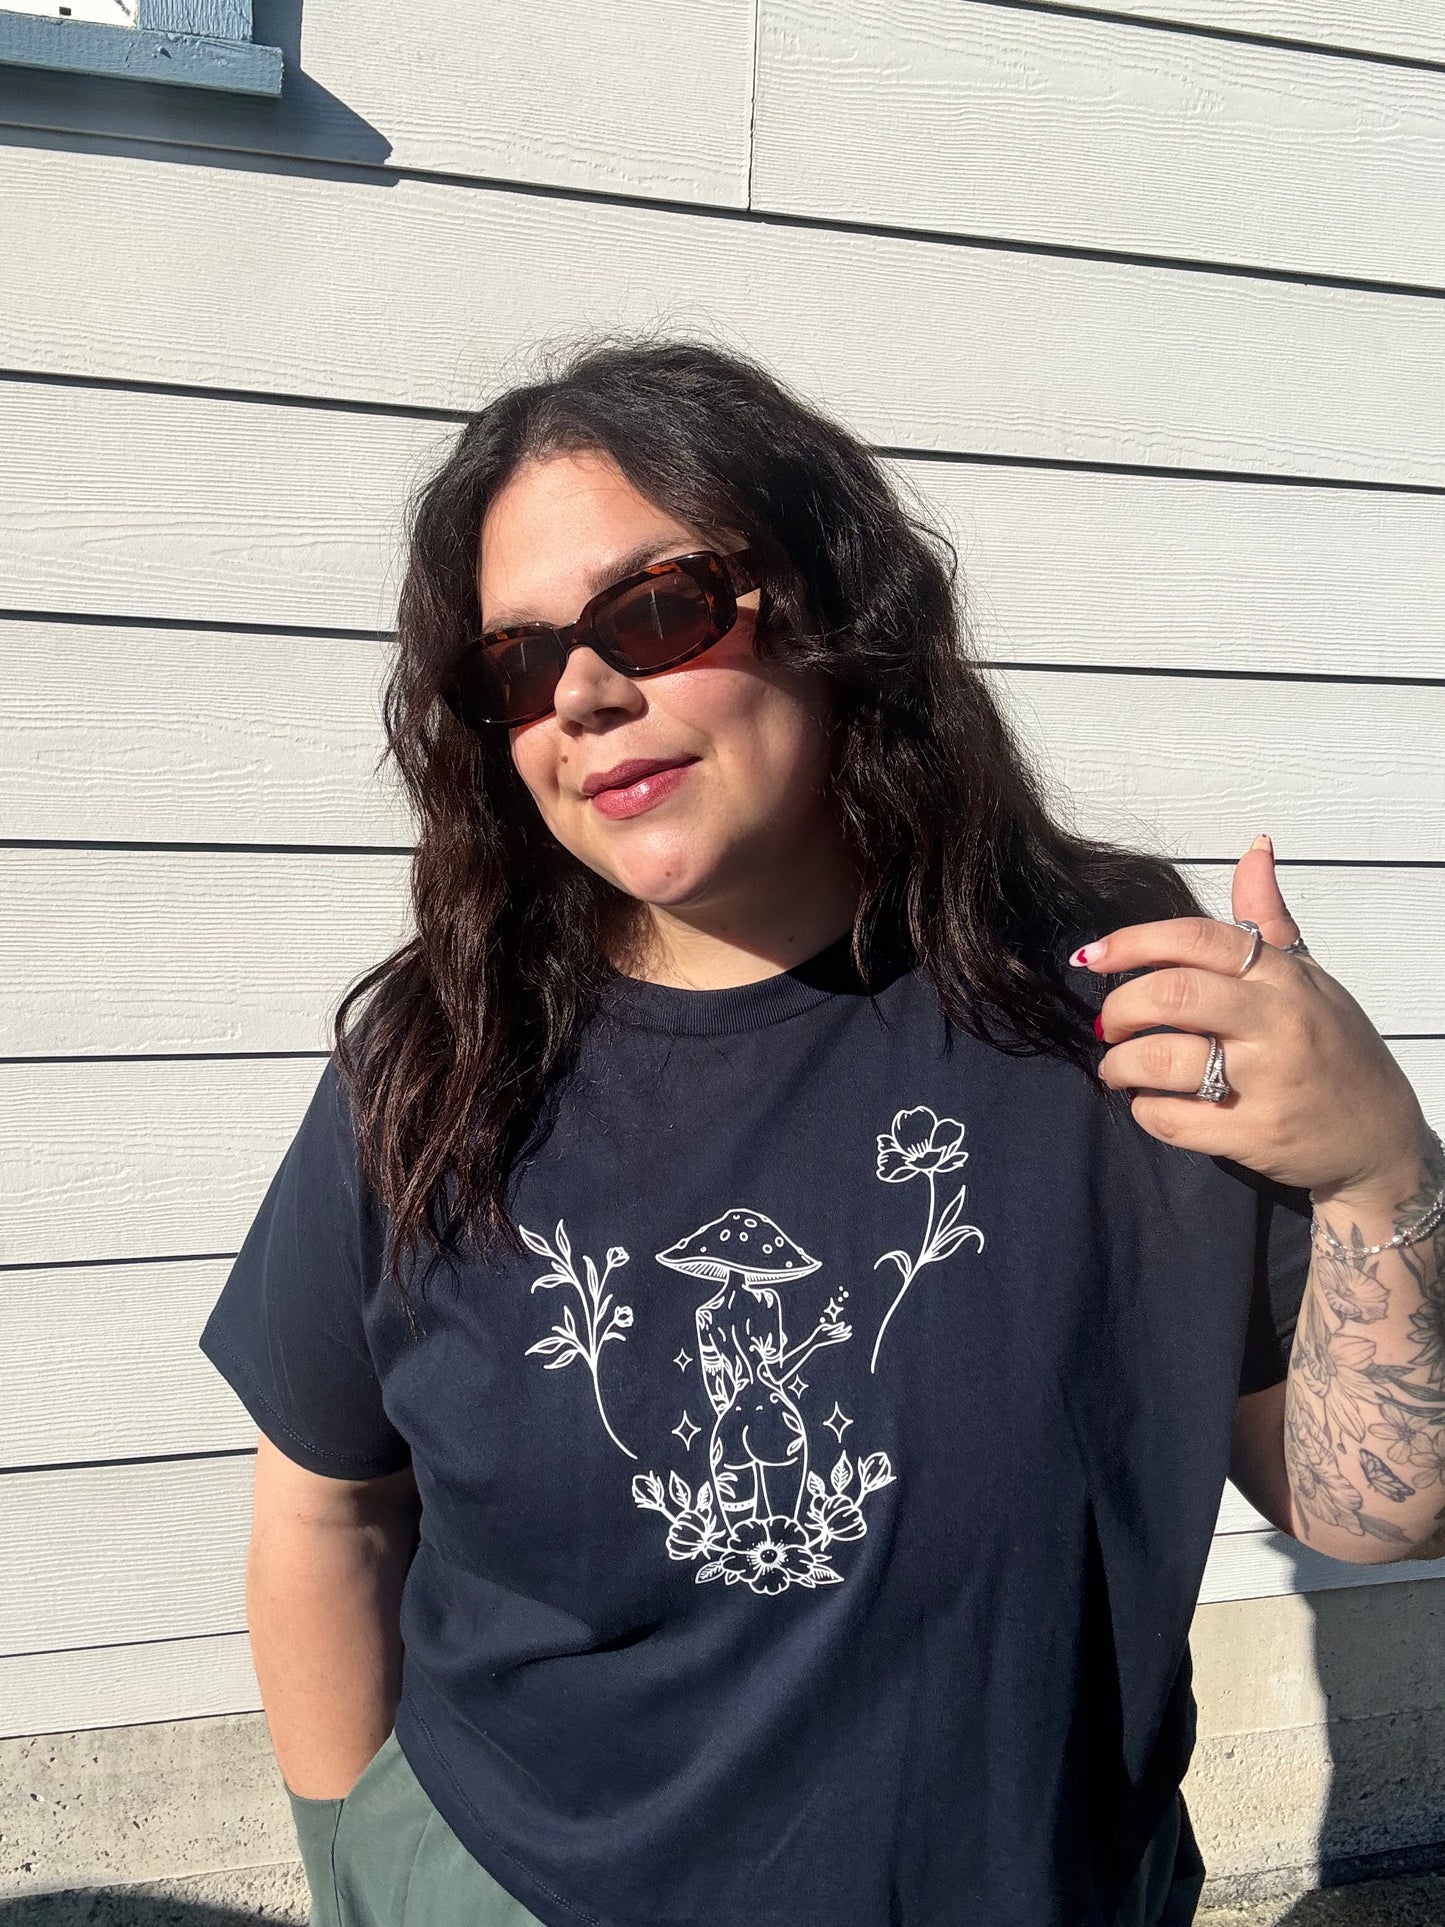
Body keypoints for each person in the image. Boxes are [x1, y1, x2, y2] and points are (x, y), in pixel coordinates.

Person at [198, 335, 1443, 1927]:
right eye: (514, 664)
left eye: (656, 609)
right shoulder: (440, 1062)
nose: (582, 694)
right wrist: (361, 1863)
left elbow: (1373, 1507)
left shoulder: (1104, 994)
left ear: (831, 602)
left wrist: (1372, 1166)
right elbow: (323, 1503)